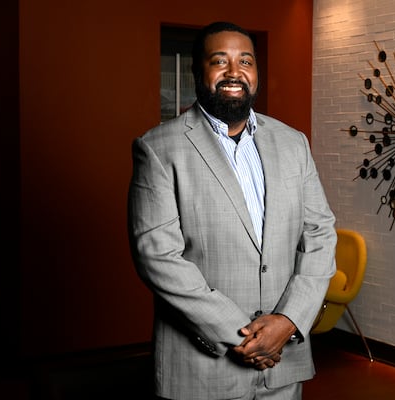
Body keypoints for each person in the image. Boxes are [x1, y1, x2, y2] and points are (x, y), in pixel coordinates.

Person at [128, 21, 337, 400]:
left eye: (245, 61)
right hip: (203, 368)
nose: (234, 72)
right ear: (198, 71)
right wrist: (246, 336)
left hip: (283, 364)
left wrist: (287, 323)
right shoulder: (159, 148)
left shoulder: (293, 143)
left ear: (256, 72)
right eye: (219, 61)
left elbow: (320, 235)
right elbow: (157, 257)